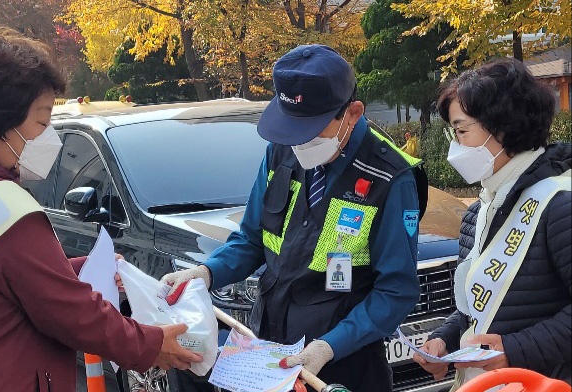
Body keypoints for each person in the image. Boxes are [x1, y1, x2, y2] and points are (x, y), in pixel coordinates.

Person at [0, 25, 201, 391]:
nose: (49, 134)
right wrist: (149, 344)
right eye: (41, 120)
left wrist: (80, 268)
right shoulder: (1, 207)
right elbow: (72, 314)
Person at [162, 44, 428, 391]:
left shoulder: (389, 177)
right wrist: (208, 272)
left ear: (352, 113)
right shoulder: (281, 150)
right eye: (291, 130)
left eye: (311, 131)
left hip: (343, 365)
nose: (299, 143)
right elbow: (251, 240)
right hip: (270, 349)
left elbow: (397, 291)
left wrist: (331, 345)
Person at [412, 58, 571, 388]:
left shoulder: (559, 204)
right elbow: (482, 306)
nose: (455, 146)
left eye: (462, 131)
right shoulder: (478, 212)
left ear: (502, 128)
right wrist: (445, 339)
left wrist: (515, 349)